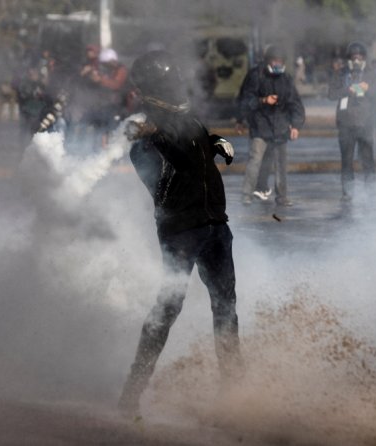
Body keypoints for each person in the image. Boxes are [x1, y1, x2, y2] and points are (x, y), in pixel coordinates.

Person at [118, 50, 243, 416]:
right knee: (168, 307)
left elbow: (195, 147)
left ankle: (234, 389)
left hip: (215, 224)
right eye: (169, 82)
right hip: (180, 230)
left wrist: (214, 141)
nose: (177, 87)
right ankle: (132, 391)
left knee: (226, 305)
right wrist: (162, 138)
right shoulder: (143, 130)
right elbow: (170, 174)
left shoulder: (179, 116)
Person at [238, 45, 305, 206]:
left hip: (280, 127)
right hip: (260, 126)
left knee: (281, 164)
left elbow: (295, 103)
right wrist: (263, 101)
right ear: (268, 60)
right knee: (255, 160)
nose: (277, 64)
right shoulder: (256, 76)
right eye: (274, 61)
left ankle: (282, 196)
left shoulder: (286, 79)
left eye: (280, 61)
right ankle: (246, 194)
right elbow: (246, 100)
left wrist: (295, 125)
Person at [328, 42, 376, 200]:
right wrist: (347, 90)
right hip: (346, 123)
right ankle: (347, 192)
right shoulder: (341, 74)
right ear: (349, 59)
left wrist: (368, 89)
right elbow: (331, 94)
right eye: (353, 57)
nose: (357, 61)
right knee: (346, 160)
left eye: (360, 57)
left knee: (368, 160)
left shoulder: (371, 74)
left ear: (364, 58)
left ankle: (370, 191)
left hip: (365, 123)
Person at [16, 65, 50, 144]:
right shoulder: (24, 83)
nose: (34, 75)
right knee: (24, 132)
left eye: (35, 73)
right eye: (32, 73)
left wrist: (42, 95)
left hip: (38, 112)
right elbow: (22, 95)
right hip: (27, 111)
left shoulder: (41, 84)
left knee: (35, 132)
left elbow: (46, 97)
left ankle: (33, 147)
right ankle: (22, 148)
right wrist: (32, 94)